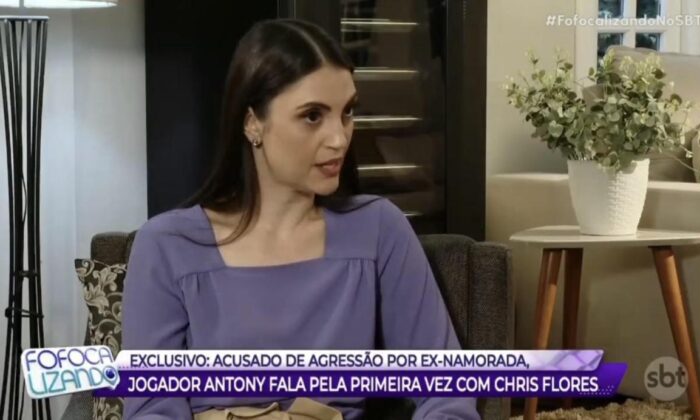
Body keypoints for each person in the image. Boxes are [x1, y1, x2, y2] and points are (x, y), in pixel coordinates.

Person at [121, 18, 480, 420]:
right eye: (312, 116)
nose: (339, 138)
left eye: (347, 112)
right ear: (252, 122)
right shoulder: (166, 246)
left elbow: (448, 392)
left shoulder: (379, 230)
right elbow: (151, 409)